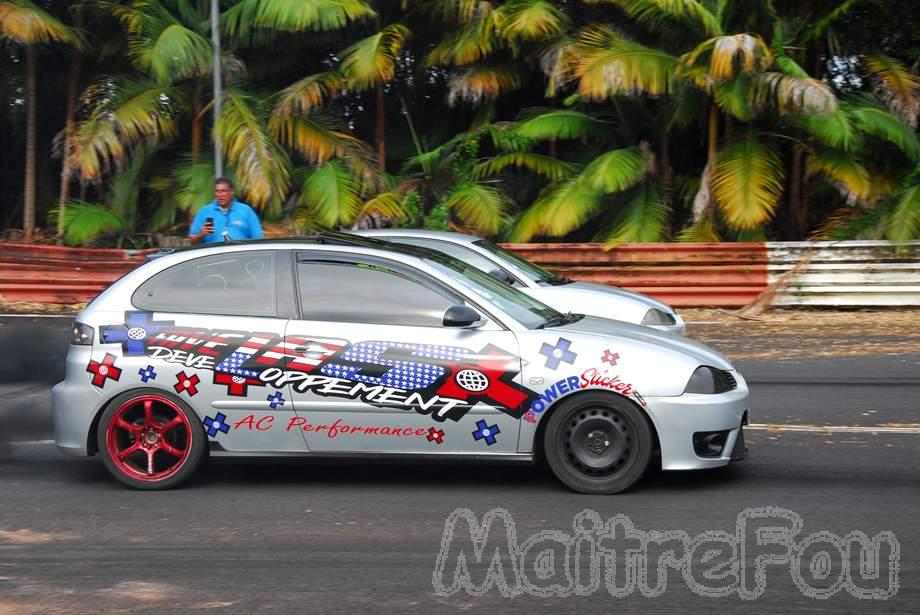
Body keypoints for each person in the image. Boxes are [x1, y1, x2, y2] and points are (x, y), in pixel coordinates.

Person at [188, 178, 264, 244]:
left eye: (223, 191)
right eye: (217, 191)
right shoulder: (204, 211)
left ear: (232, 192)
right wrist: (201, 234)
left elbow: (258, 240)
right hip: (213, 258)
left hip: (241, 257)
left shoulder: (246, 210)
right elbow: (192, 241)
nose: (220, 194)